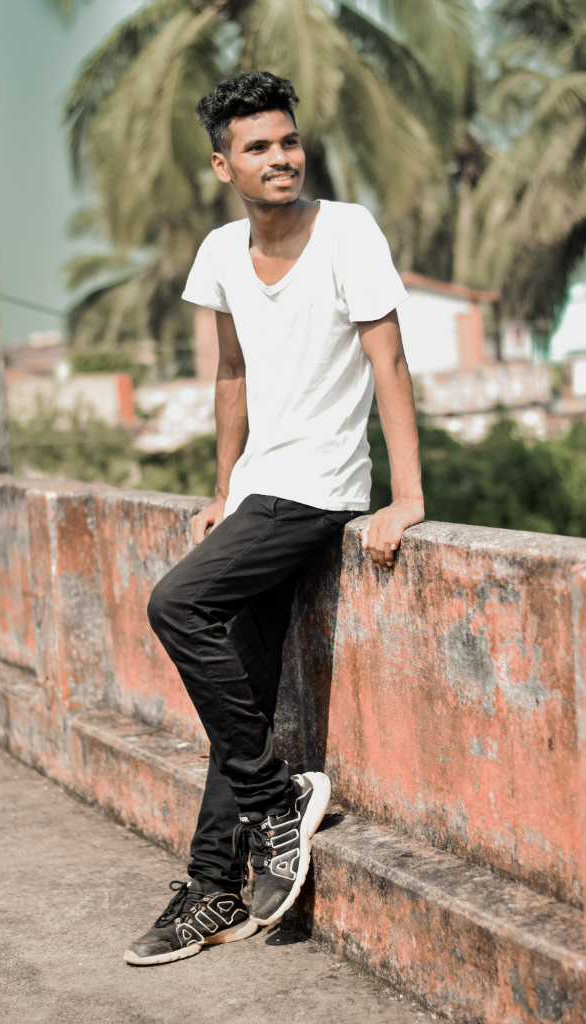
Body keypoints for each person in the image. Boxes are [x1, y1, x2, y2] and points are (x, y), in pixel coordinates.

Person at [124, 70, 424, 967]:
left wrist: (407, 497)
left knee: (175, 605)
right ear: (224, 165)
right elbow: (230, 375)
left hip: (320, 488)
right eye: (257, 147)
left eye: (287, 141)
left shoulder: (349, 233)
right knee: (239, 698)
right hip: (258, 492)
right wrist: (223, 488)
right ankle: (214, 889)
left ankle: (273, 797)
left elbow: (390, 365)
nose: (280, 157)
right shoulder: (219, 252)